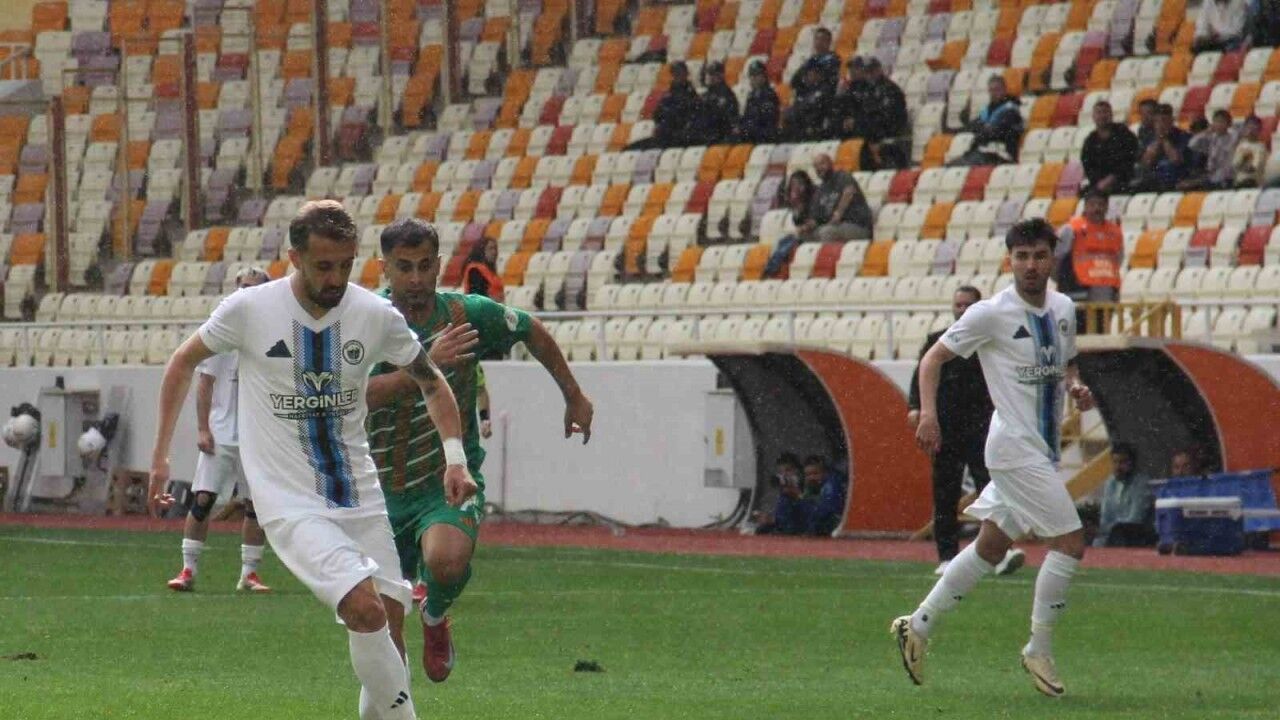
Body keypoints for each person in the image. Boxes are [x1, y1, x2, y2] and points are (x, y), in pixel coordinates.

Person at [148, 200, 476, 720]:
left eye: (345, 265)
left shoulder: (373, 315)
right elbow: (182, 362)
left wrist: (454, 458)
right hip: (288, 499)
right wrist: (162, 456)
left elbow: (431, 382)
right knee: (364, 609)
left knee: (389, 631)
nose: (336, 278)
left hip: (358, 491)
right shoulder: (250, 309)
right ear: (295, 257)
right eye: (324, 265)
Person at [364, 218, 593, 682]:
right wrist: (427, 365)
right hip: (378, 488)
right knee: (384, 637)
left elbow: (530, 329)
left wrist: (573, 395)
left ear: (439, 265)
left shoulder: (466, 315)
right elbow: (356, 396)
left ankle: (434, 614)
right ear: (384, 267)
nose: (415, 278)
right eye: (404, 267)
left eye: (425, 265)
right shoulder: (365, 323)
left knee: (446, 561)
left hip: (446, 479)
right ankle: (396, 702)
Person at [893, 218, 1096, 698]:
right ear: (1010, 261)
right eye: (1022, 257)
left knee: (990, 546)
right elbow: (932, 359)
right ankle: (1038, 648)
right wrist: (928, 414)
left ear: (1052, 259)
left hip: (1040, 448)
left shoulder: (1064, 308)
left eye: (1039, 256)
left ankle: (917, 625)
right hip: (1012, 448)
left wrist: (1075, 386)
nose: (1031, 265)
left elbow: (1067, 361)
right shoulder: (990, 314)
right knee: (1070, 541)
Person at [166, 266, 273, 594]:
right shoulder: (221, 332)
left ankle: (249, 574)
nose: (244, 292)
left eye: (252, 287)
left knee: (256, 506)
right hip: (222, 432)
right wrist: (203, 428)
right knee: (203, 499)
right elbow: (205, 383)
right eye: (241, 286)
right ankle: (188, 570)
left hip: (256, 435)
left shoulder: (271, 335)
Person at [909, 286, 1026, 576]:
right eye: (958, 304)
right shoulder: (938, 340)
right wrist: (918, 408)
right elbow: (921, 373)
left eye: (967, 305)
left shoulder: (989, 340)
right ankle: (947, 556)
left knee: (992, 488)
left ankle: (1000, 551)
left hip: (982, 426)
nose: (961, 310)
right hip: (946, 427)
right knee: (945, 492)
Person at [1055, 188, 1124, 306]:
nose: (1097, 208)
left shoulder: (1115, 232)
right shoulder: (1072, 228)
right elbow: (1055, 258)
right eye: (1092, 204)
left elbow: (1119, 259)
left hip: (1108, 289)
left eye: (1101, 204)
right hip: (1077, 289)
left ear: (1107, 207)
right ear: (1085, 206)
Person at [1093, 443, 1156, 547]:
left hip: (1135, 538)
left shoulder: (1141, 483)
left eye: (1122, 462)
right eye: (1115, 462)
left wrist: (1110, 528)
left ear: (1132, 463)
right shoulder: (1111, 483)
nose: (1117, 467)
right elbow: (1105, 518)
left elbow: (1134, 520)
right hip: (1111, 536)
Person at [952, 76, 1024, 165]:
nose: (993, 93)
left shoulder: (1011, 110)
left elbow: (996, 130)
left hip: (1003, 154)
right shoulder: (988, 110)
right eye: (991, 90)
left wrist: (983, 128)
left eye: (997, 89)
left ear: (1004, 90)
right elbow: (974, 126)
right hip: (985, 152)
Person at [630, 61, 700, 150]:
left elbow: (689, 115)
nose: (677, 76)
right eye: (675, 73)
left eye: (679, 73)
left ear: (686, 74)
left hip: (678, 136)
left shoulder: (690, 95)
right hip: (666, 134)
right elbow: (657, 115)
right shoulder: (669, 94)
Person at [763, 170, 817, 278]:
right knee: (783, 241)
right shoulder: (798, 202)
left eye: (799, 184)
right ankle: (772, 269)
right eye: (794, 185)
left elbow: (815, 220)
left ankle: (771, 269)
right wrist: (797, 204)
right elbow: (798, 221)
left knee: (788, 243)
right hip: (803, 233)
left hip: (815, 232)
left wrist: (803, 228)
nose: (797, 188)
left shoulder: (815, 198)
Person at [810, 153, 873, 242]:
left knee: (827, 232)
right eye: (816, 166)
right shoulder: (820, 190)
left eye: (822, 163)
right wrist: (806, 227)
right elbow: (816, 217)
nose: (819, 168)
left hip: (857, 225)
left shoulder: (842, 176)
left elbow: (849, 192)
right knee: (808, 235)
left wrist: (838, 214)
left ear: (831, 163)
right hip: (835, 227)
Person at [860, 57, 910, 169]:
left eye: (872, 71)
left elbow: (894, 118)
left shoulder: (891, 89)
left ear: (879, 69)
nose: (869, 75)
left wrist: (877, 139)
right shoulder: (867, 90)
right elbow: (865, 115)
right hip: (872, 137)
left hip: (889, 136)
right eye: (867, 72)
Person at [1080, 101, 1139, 192]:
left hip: (1123, 181)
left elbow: (1129, 160)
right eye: (1099, 112)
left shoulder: (1123, 133)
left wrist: (1111, 179)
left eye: (1105, 112)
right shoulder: (1090, 140)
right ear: (1093, 117)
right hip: (1099, 184)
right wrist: (1099, 182)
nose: (1102, 116)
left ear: (1111, 115)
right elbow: (1087, 165)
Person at [1134, 104, 1191, 192]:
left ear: (1171, 121)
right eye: (1157, 121)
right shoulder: (1149, 137)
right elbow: (1146, 162)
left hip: (1175, 178)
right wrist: (1158, 140)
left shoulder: (1182, 136)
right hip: (1153, 179)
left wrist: (1164, 140)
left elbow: (1176, 160)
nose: (1161, 125)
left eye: (1164, 120)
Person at [1185, 109, 1240, 189]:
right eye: (1216, 122)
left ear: (1228, 124)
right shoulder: (1210, 138)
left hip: (1226, 175)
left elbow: (1237, 133)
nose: (1219, 124)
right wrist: (1207, 131)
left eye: (1222, 122)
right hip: (1210, 174)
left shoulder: (1232, 138)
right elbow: (1192, 144)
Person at [801, 455, 847, 536]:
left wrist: (799, 498)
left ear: (825, 473)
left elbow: (824, 512)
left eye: (815, 473)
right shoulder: (810, 488)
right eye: (808, 475)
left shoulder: (831, 485)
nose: (811, 478)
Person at [789, 27, 841, 99]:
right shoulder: (811, 60)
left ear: (829, 42)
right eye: (816, 39)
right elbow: (794, 81)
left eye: (822, 40)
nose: (819, 42)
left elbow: (825, 80)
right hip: (806, 97)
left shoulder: (833, 60)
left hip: (823, 98)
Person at [739, 59, 781, 144]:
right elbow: (747, 117)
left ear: (764, 77)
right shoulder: (751, 96)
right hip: (751, 135)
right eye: (751, 75)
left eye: (756, 75)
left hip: (764, 138)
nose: (753, 78)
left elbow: (767, 121)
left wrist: (748, 129)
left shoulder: (769, 95)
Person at [698, 61, 740, 144]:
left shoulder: (727, 94)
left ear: (721, 76)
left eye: (712, 74)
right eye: (708, 73)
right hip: (707, 134)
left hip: (720, 136)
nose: (709, 76)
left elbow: (728, 118)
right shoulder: (705, 95)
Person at [462, 236, 503, 302]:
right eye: (490, 248)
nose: (494, 252)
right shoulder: (475, 269)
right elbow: (477, 295)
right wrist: (494, 300)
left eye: (495, 248)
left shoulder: (489, 270)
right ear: (481, 250)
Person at [1232, 115, 1267, 188]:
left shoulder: (1261, 147)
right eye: (1249, 127)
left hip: (1255, 182)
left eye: (1254, 128)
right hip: (1239, 181)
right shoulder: (1240, 145)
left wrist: (1247, 166)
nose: (1251, 131)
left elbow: (1256, 166)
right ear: (1244, 128)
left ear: (1259, 130)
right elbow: (1235, 164)